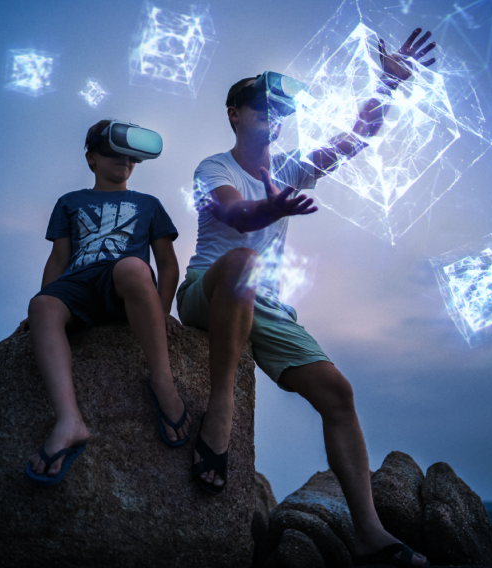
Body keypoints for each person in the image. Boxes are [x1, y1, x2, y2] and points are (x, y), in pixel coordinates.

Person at [177, 29, 436, 567]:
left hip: (263, 306)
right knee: (243, 261)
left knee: (337, 392)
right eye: (262, 108)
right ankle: (220, 410)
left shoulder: (289, 168)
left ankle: (368, 533)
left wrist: (388, 84)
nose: (273, 117)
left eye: (280, 111)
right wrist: (273, 209)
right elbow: (233, 214)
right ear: (235, 114)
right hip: (208, 291)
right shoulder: (213, 168)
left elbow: (355, 138)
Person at [15, 119, 191, 485]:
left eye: (130, 157)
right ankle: (69, 420)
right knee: (42, 306)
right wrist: (43, 298)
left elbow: (168, 264)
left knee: (133, 265)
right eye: (113, 153)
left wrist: (161, 310)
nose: (124, 162)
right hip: (78, 286)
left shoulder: (149, 204)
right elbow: (59, 260)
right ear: (91, 158)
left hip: (124, 283)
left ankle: (163, 382)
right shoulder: (70, 202)